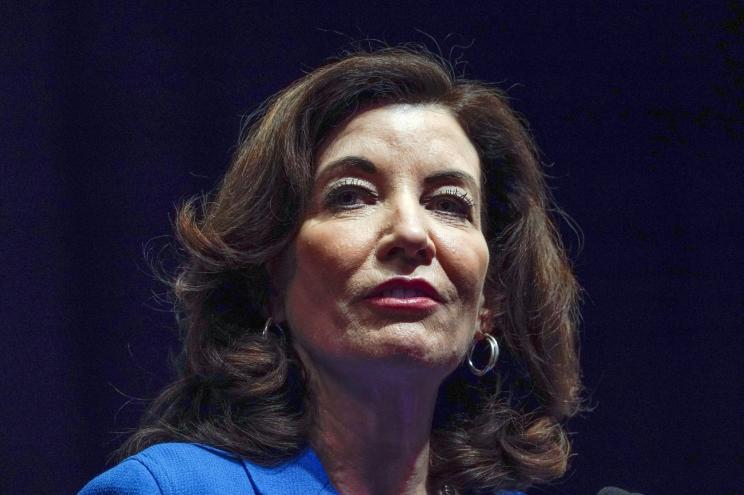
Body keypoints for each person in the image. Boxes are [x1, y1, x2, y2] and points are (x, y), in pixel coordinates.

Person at [80, 45, 582, 495]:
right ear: (270, 279)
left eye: (450, 204)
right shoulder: (166, 490)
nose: (411, 232)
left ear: (489, 301)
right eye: (351, 196)